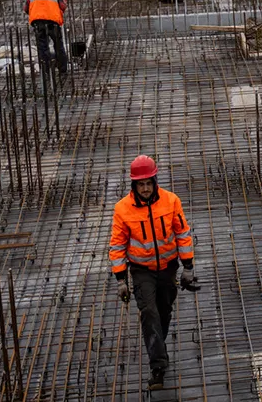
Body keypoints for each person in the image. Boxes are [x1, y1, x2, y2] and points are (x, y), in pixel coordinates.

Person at [110, 155, 198, 390]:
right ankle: (157, 365)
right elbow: (117, 245)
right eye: (141, 184)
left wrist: (188, 267)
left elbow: (182, 234)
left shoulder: (170, 201)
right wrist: (121, 280)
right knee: (149, 312)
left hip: (168, 268)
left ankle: (157, 344)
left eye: (149, 183)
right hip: (141, 271)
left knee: (163, 312)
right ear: (134, 185)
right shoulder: (122, 209)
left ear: (155, 181)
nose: (145, 188)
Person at [23, 0, 68, 75]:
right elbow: (63, 6)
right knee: (58, 45)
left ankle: (46, 71)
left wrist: (37, 12)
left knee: (42, 47)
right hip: (53, 22)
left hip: (38, 22)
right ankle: (63, 70)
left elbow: (26, 9)